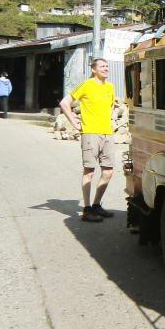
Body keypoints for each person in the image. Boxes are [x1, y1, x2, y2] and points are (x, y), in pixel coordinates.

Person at [59, 58, 116, 223]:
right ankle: (87, 209)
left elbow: (112, 105)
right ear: (93, 69)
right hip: (90, 133)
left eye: (107, 66)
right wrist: (74, 122)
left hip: (107, 133)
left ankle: (96, 204)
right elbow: (65, 102)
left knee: (108, 172)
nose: (106, 69)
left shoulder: (110, 87)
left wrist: (110, 119)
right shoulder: (86, 85)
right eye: (102, 66)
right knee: (89, 172)